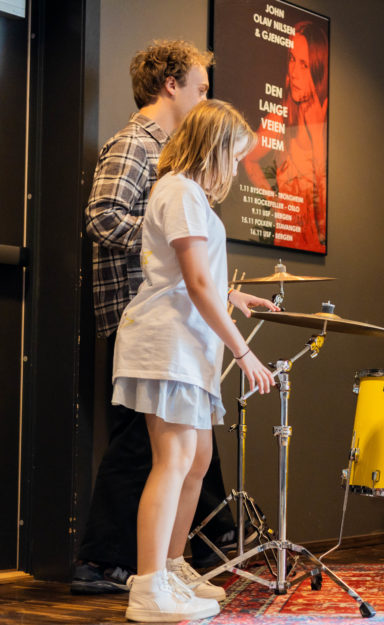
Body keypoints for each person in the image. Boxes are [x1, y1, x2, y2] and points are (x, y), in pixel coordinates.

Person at [76, 40, 237, 595]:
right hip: (142, 313)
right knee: (143, 450)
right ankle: (106, 563)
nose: (204, 98)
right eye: (200, 88)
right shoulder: (134, 144)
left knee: (188, 454)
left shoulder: (174, 159)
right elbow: (102, 217)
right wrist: (162, 243)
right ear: (171, 84)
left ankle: (175, 561)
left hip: (173, 317)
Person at [113, 99, 278, 622]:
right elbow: (194, 282)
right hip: (169, 344)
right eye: (235, 155)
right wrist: (244, 351)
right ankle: (149, 586)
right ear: (213, 147)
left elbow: (191, 276)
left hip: (188, 345)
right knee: (175, 460)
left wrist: (233, 295)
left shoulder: (187, 194)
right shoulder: (181, 191)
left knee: (197, 459)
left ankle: (172, 566)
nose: (236, 168)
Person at [243, 20, 328, 252]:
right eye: (292, 59)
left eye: (304, 65)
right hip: (286, 243)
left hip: (317, 247)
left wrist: (316, 137)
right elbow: (248, 158)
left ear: (318, 69)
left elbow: (323, 218)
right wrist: (275, 204)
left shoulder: (326, 118)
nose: (294, 72)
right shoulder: (281, 116)